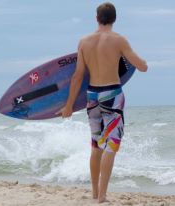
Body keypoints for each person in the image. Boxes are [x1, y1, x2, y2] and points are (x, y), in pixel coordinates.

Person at [60, 2, 148, 203]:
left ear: (96, 18)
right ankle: (102, 196)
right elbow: (142, 67)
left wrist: (68, 106)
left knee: (96, 144)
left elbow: (78, 76)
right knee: (112, 144)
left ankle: (93, 192)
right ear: (114, 19)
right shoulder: (119, 40)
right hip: (112, 95)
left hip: (92, 96)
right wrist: (142, 62)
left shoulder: (84, 42)